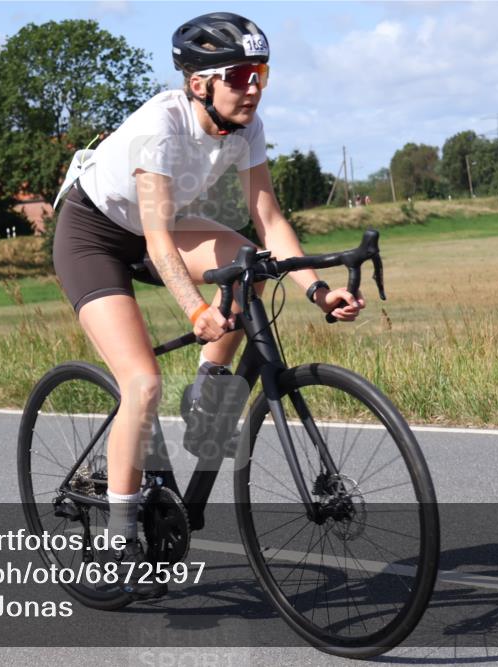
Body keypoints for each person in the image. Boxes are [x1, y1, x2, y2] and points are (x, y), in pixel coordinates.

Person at [51, 12, 364, 599]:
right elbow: (158, 241)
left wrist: (319, 290)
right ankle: (121, 539)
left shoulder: (247, 128)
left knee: (247, 264)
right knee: (140, 383)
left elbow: (269, 221)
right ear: (200, 83)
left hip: (158, 228)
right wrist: (197, 310)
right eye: (241, 74)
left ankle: (209, 394)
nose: (254, 86)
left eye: (261, 73)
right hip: (94, 234)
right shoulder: (159, 128)